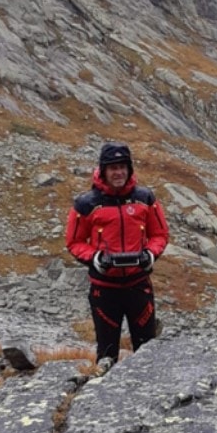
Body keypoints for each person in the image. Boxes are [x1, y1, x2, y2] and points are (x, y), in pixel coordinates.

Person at [63, 142, 169, 369]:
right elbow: (74, 242)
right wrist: (95, 258)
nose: (118, 172)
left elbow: (159, 234)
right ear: (103, 170)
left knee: (147, 349)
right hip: (104, 290)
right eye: (113, 168)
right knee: (106, 354)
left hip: (138, 287)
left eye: (122, 167)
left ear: (129, 169)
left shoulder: (145, 198)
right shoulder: (86, 204)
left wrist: (150, 254)